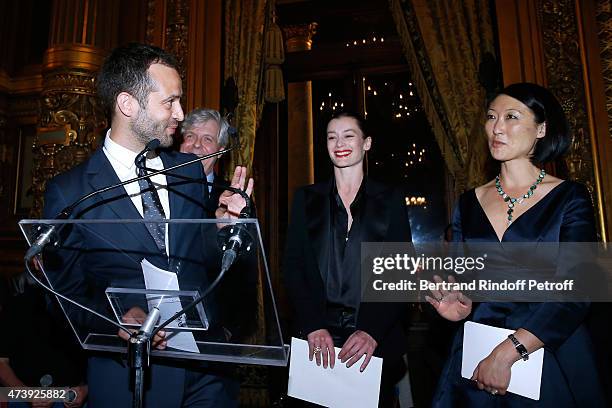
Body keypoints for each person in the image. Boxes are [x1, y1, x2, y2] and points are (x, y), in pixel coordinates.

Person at [41, 43, 252, 407]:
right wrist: (116, 320)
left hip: (209, 374)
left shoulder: (186, 171)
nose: (180, 114)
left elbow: (198, 260)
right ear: (127, 105)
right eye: (169, 102)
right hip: (130, 377)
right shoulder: (71, 191)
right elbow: (62, 295)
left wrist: (219, 230)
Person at [429, 83, 605, 406]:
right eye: (491, 117)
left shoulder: (570, 198)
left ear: (541, 128)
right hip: (478, 359)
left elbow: (579, 290)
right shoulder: (468, 203)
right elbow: (465, 281)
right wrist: (459, 307)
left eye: (511, 116)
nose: (497, 127)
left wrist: (510, 351)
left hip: (548, 353)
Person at [283, 111, 413, 406]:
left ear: (366, 143)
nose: (339, 143)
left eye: (348, 135)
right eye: (331, 137)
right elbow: (293, 268)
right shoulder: (305, 198)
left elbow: (400, 273)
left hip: (372, 344)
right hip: (316, 340)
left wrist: (371, 332)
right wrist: (313, 324)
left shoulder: (391, 198)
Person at [0, 273, 88, 408]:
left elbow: (101, 363)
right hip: (20, 395)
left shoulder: (83, 304)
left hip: (69, 396)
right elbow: (1, 363)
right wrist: (26, 394)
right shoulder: (16, 304)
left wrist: (85, 390)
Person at [179, 109, 230, 217]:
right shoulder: (159, 186)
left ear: (220, 151)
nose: (197, 144)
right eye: (190, 136)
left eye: (207, 139)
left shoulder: (234, 197)